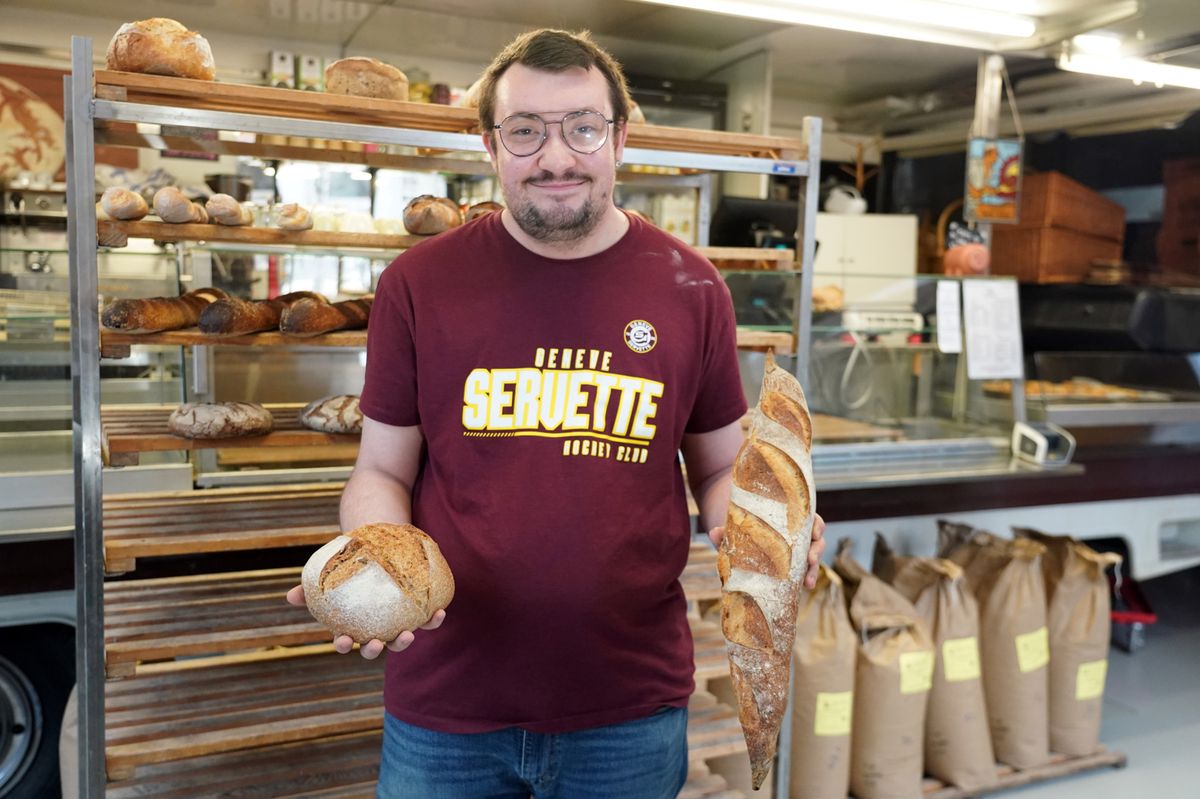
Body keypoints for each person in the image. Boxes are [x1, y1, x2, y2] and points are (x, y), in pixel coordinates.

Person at [287, 27, 826, 799]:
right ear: (490, 145)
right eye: (525, 130)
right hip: (447, 702)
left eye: (582, 126)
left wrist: (763, 529)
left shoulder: (691, 286)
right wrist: (374, 554)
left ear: (619, 138)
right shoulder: (418, 283)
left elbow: (715, 465)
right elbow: (380, 466)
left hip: (629, 705)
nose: (556, 156)